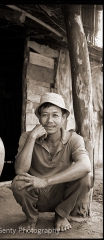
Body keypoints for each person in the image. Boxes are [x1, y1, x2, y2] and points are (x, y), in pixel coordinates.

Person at [11, 92, 93, 232]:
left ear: (64, 118)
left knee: (86, 178)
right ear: (39, 118)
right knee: (18, 182)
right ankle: (31, 218)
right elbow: (20, 170)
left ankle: (61, 215)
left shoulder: (74, 139)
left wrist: (46, 181)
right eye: (45, 115)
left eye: (55, 115)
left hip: (60, 193)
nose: (49, 120)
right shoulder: (27, 137)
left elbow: (85, 165)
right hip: (35, 192)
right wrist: (32, 138)